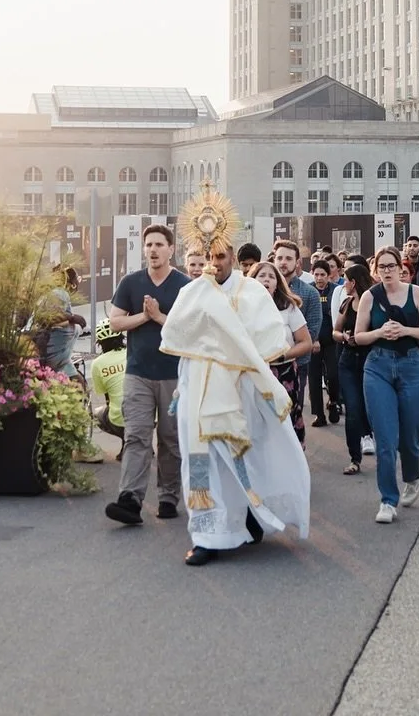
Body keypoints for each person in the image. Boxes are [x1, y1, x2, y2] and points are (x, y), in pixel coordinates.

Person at [160, 189, 311, 566]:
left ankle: (249, 515)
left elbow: (269, 340)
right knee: (203, 462)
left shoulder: (253, 292)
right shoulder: (192, 292)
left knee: (248, 455)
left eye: (221, 256)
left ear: (233, 256)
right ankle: (207, 534)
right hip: (199, 389)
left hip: (241, 390)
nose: (214, 263)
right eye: (208, 256)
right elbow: (179, 340)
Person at [104, 223, 190, 527]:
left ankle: (168, 496)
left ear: (171, 249)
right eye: (148, 245)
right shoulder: (131, 282)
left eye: (158, 245)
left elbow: (189, 330)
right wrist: (144, 316)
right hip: (138, 373)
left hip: (174, 376)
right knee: (137, 436)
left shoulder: (184, 285)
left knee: (170, 438)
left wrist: (158, 317)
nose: (152, 250)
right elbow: (115, 322)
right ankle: (130, 498)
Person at [354, 246, 419, 523]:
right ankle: (388, 500)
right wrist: (379, 332)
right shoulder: (369, 296)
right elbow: (359, 336)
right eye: (382, 267)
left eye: (392, 266)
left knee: (410, 436)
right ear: (375, 270)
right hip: (377, 366)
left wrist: (405, 331)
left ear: (400, 268)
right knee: (386, 439)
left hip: (411, 365)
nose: (387, 271)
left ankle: (412, 476)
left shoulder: (416, 293)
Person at [254, 259, 313, 445]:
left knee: (286, 424)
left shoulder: (288, 307)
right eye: (261, 275)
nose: (266, 279)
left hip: (284, 372)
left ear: (277, 283)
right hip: (255, 374)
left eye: (271, 276)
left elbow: (305, 342)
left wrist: (282, 355)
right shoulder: (242, 308)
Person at [271, 240, 321, 422]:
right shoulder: (260, 289)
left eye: (288, 258)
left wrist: (282, 351)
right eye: (280, 258)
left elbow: (312, 331)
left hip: (296, 365)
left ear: (297, 262)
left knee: (290, 415)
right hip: (262, 365)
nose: (283, 262)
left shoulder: (309, 293)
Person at [333, 260, 373, 474]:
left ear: (354, 282)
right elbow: (335, 331)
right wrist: (344, 337)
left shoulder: (374, 303)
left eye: (346, 281)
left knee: (370, 407)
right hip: (347, 361)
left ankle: (371, 437)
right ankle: (354, 458)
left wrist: (364, 337)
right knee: (352, 410)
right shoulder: (346, 303)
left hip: (370, 360)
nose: (344, 284)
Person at [306, 258, 340, 426]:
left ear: (329, 276)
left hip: (332, 340)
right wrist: (313, 339)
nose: (319, 278)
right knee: (313, 379)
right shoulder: (308, 291)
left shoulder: (336, 291)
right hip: (313, 342)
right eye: (316, 274)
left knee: (333, 375)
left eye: (323, 275)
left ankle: (333, 402)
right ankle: (319, 414)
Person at [38, 263, 89, 374]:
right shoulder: (60, 293)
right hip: (52, 358)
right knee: (77, 385)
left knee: (79, 383)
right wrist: (73, 318)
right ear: (71, 282)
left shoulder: (57, 293)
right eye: (77, 279)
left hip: (59, 358)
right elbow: (48, 316)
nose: (78, 283)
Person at [89, 317, 127, 457]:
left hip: (120, 420)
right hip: (148, 418)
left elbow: (108, 399)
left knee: (99, 414)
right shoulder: (133, 352)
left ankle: (127, 442)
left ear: (100, 343)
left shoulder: (98, 364)